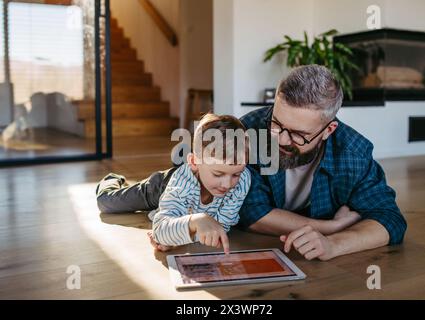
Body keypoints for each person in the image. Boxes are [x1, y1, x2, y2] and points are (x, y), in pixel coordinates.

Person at [238, 64, 407, 261]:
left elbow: (390, 219)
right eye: (276, 123)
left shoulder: (353, 152)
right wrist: (332, 227)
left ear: (329, 130)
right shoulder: (249, 130)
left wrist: (334, 244)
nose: (282, 140)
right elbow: (250, 211)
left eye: (299, 134)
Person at [96, 114, 251, 253]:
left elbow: (219, 228)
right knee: (107, 202)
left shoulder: (242, 180)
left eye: (235, 174)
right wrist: (193, 223)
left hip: (185, 203)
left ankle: (165, 210)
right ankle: (112, 180)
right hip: (161, 187)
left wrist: (176, 238)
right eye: (218, 174)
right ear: (194, 162)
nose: (227, 184)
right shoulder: (180, 184)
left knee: (175, 213)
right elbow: (160, 231)